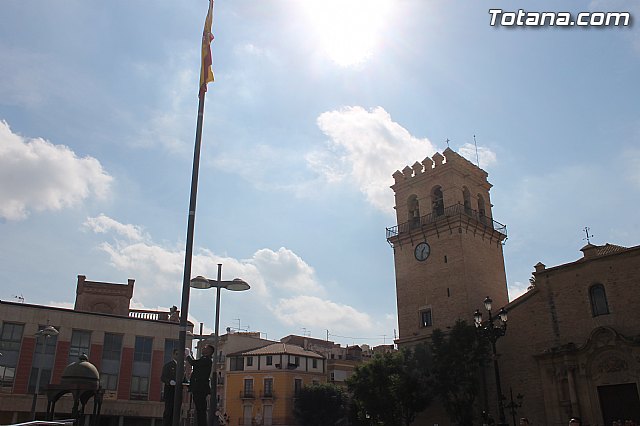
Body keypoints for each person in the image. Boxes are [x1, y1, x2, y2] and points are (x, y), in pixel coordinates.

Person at [187, 344, 214, 426]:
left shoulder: (206, 360)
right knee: (199, 409)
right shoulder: (204, 359)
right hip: (199, 388)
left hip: (200, 388)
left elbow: (193, 363)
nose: (203, 349)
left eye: (205, 348)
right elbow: (196, 363)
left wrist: (188, 355)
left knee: (201, 410)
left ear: (209, 351)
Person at [161, 349, 179, 426]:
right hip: (170, 392)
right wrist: (170, 382)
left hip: (178, 392)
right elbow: (163, 377)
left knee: (176, 413)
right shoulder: (168, 365)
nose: (178, 356)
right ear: (173, 355)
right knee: (168, 412)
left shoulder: (182, 366)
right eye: (177, 354)